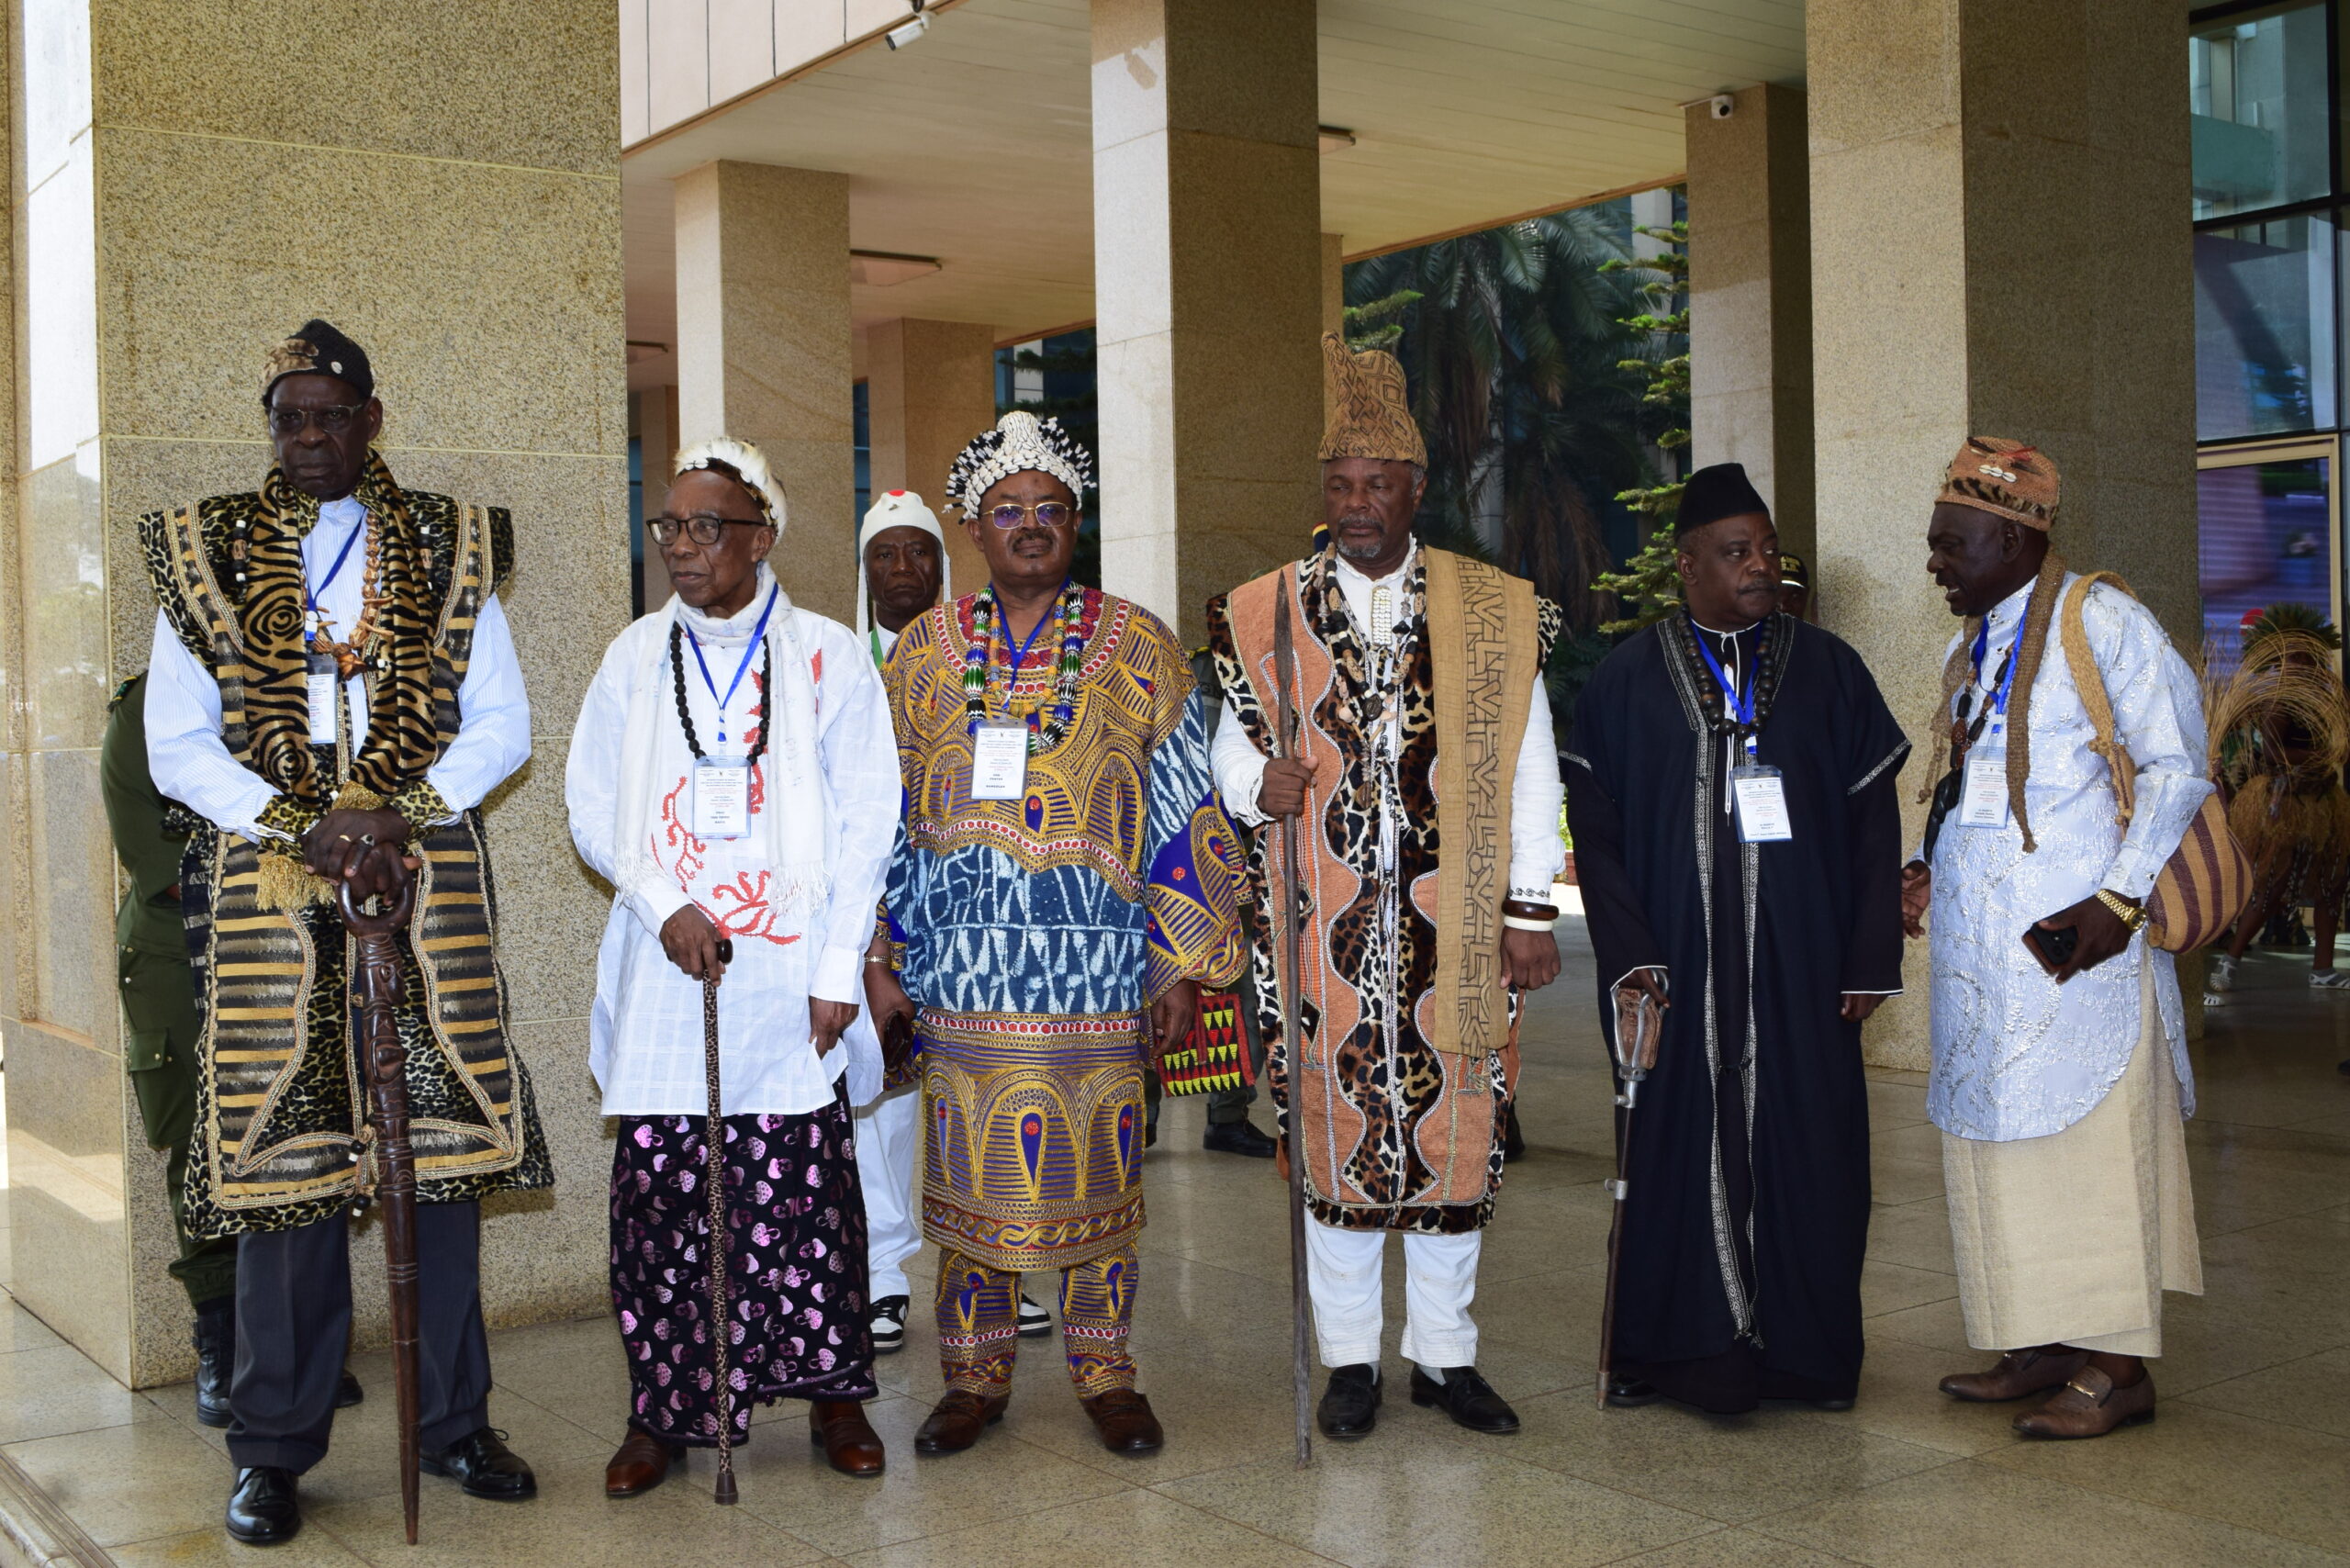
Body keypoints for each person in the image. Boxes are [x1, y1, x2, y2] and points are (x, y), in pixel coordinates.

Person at [140, 321, 544, 1544]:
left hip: (420, 870)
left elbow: (503, 724)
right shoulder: (206, 546)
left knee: (445, 1161)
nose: (307, 438)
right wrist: (299, 821)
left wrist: (388, 811)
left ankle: (457, 1423)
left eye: (329, 415)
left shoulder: (445, 540)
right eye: (287, 418)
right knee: (287, 1174)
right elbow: (175, 738)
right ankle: (273, 1447)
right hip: (273, 885)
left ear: (371, 420)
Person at [865, 410, 1248, 1457]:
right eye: (1008, 513)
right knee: (969, 1187)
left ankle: (1106, 1372)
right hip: (963, 975)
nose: (1030, 527)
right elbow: (880, 815)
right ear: (975, 532)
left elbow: (1183, 806)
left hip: (1101, 975)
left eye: (1050, 511)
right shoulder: (925, 655)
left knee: (1104, 1185)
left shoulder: (1137, 644)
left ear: (1074, 523)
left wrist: (1177, 962)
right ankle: (973, 1379)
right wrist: (880, 956)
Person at [1204, 334, 1563, 1442]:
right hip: (1321, 930)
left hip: (1452, 935)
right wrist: (1253, 780)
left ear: (1416, 489)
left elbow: (1530, 756)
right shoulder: (1261, 609)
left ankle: (1446, 1360)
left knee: (1458, 1137)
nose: (1357, 505)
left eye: (1378, 485)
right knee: (1337, 1141)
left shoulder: (1491, 607)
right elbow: (1225, 750)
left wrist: (1529, 907)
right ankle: (1351, 1361)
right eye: (1340, 486)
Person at [569, 438, 897, 1494]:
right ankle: (663, 1410)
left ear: (762, 536)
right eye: (669, 526)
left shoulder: (829, 655)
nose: (681, 547)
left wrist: (839, 964)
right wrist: (663, 904)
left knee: (802, 1191)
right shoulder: (630, 657)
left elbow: (866, 818)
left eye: (707, 527)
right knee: (664, 1197)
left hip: (790, 965)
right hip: (673, 975)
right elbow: (590, 804)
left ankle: (833, 1394)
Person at [1565, 462, 1908, 1415]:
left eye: (1764, 547)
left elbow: (1874, 825)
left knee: (1814, 1146)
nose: (1760, 565)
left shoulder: (1830, 669)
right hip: (1673, 968)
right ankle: (1675, 1352)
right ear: (1687, 566)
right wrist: (1632, 958)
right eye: (1736, 551)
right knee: (1674, 1145)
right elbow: (1595, 835)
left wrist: (1869, 956)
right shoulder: (1626, 680)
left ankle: (1806, 1357)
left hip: (1803, 967)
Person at [1903, 437, 2208, 1439]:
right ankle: (2037, 1341)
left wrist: (2119, 903)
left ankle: (2116, 1367)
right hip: (1983, 965)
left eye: (1951, 543)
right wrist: (1924, 860)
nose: (1935, 560)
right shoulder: (1975, 644)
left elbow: (2176, 765)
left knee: (2088, 1154)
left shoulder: (2103, 621)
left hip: (2081, 962)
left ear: (2009, 534)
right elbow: (1968, 782)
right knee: (1998, 1151)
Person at [849, 491, 1059, 1355]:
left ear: (947, 561)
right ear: (863, 573)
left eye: (919, 555)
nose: (903, 571)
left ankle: (1001, 1266)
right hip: (894, 915)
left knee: (990, 1102)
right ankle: (885, 1275)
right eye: (884, 557)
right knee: (888, 1105)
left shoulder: (989, 653)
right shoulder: (844, 663)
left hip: (992, 926)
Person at [1137, 645, 1279, 1160]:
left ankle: (1226, 1116)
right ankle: (1146, 1118)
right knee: (1154, 995)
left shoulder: (1259, 691)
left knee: (1240, 1002)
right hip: (1163, 875)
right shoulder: (1166, 689)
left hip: (1232, 879)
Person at [2203, 608, 2350, 997]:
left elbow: (2339, 745)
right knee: (2271, 886)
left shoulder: (2327, 697)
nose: (2300, 663)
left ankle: (2323, 969)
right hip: (2284, 802)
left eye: (2306, 656)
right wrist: (2317, 759)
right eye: (2292, 657)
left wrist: (2331, 757)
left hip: (2323, 800)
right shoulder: (2280, 698)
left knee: (2332, 884)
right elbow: (2272, 754)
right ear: (2279, 660)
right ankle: (2231, 961)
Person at [1777, 551, 1813, 622]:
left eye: (1795, 597)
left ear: (1806, 595)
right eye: (1776, 595)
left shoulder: (1816, 632)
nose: (1784, 607)